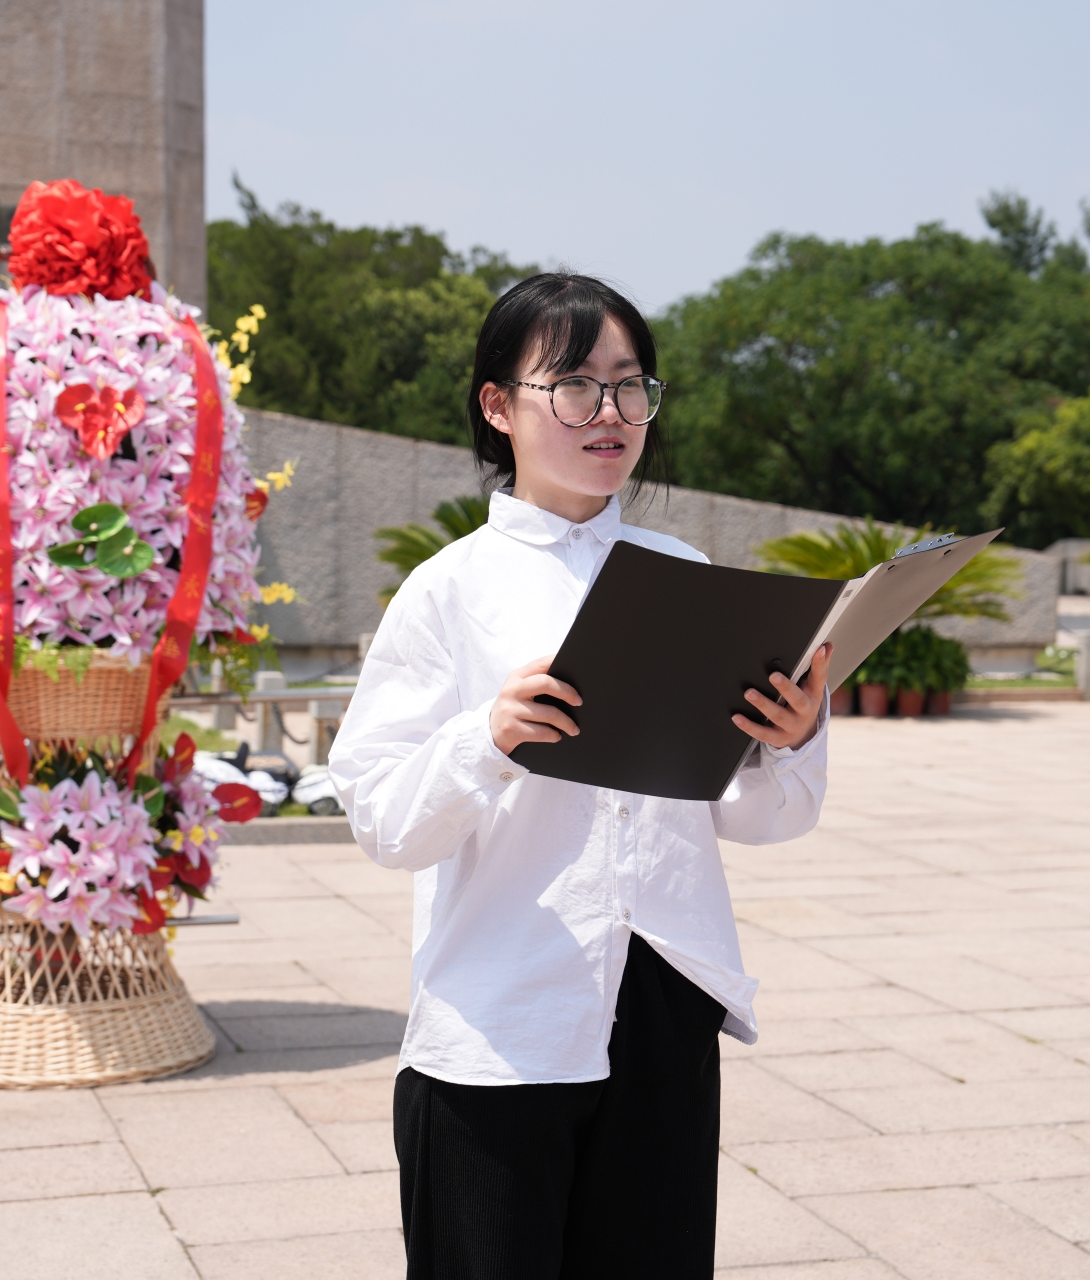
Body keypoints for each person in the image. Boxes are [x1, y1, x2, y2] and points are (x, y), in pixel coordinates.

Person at [328, 273, 832, 1278]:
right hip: (501, 1016)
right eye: (573, 384)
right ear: (497, 404)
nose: (610, 411)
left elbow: (765, 815)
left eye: (630, 384)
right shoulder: (449, 590)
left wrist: (791, 736)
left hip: (664, 998)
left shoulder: (684, 572)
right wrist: (487, 736)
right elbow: (383, 818)